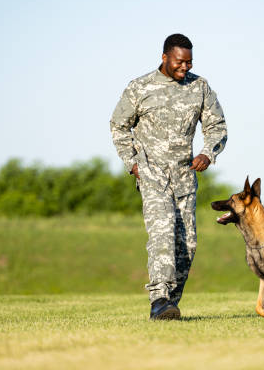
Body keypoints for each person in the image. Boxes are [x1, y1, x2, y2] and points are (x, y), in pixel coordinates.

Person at [110, 34, 227, 320]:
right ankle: (159, 299)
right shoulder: (141, 87)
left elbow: (217, 127)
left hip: (185, 176)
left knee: (187, 244)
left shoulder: (199, 87)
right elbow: (118, 126)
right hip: (152, 174)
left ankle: (170, 304)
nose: (184, 67)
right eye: (179, 62)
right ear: (164, 57)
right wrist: (132, 162)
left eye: (189, 62)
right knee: (162, 233)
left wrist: (208, 154)